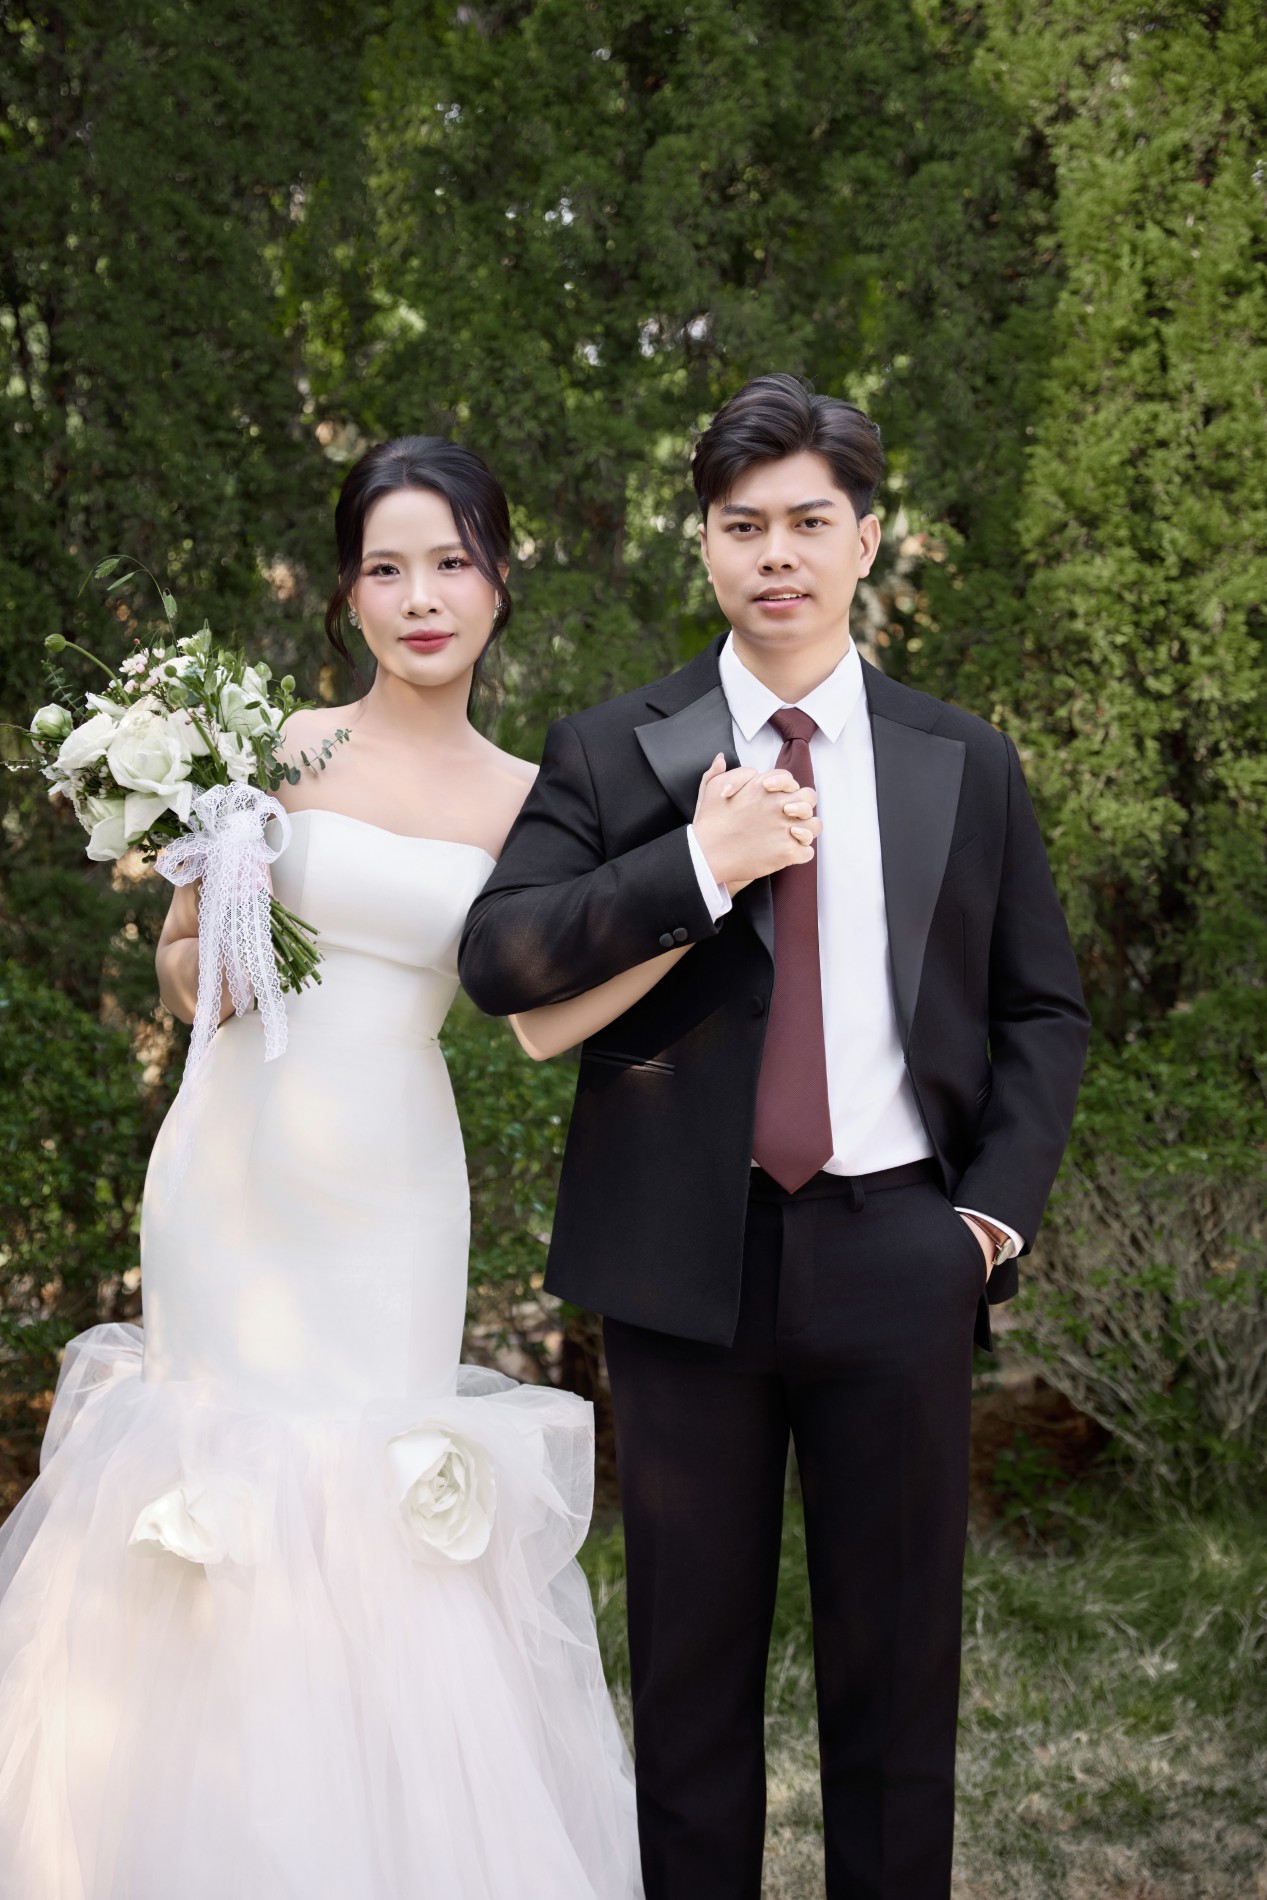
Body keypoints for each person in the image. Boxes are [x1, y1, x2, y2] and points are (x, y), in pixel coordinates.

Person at [459, 374, 1092, 1899]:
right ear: (705, 545)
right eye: (743, 526)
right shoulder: (615, 749)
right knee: (688, 1695)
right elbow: (501, 960)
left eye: (811, 522)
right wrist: (701, 861)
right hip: (686, 1272)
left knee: (897, 1687)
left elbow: (1042, 1012)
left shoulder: (964, 759)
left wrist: (983, 1225)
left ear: (867, 540)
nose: (777, 555)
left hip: (900, 1253)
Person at [0, 437, 649, 1899]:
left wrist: (703, 899)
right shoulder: (272, 747)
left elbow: (539, 1013)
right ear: (348, 591)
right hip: (230, 1174)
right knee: (215, 1476)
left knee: (373, 1495)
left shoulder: (535, 798)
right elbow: (181, 964)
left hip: (390, 1190)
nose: (420, 598)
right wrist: (208, 962)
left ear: (498, 581)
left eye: (451, 563)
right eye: (385, 568)